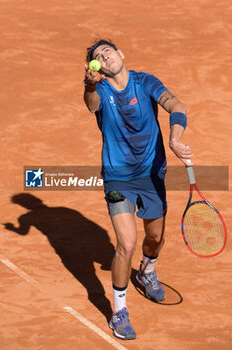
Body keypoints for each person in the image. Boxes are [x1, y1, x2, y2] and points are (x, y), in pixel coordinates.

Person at [83, 39, 193, 340]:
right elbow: (91, 104)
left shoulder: (145, 82)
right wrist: (89, 85)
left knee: (155, 237)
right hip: (118, 177)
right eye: (98, 57)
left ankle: (147, 270)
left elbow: (176, 106)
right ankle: (118, 312)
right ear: (97, 68)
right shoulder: (100, 90)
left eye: (108, 52)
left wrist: (174, 138)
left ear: (120, 55)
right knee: (126, 244)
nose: (104, 58)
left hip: (152, 173)